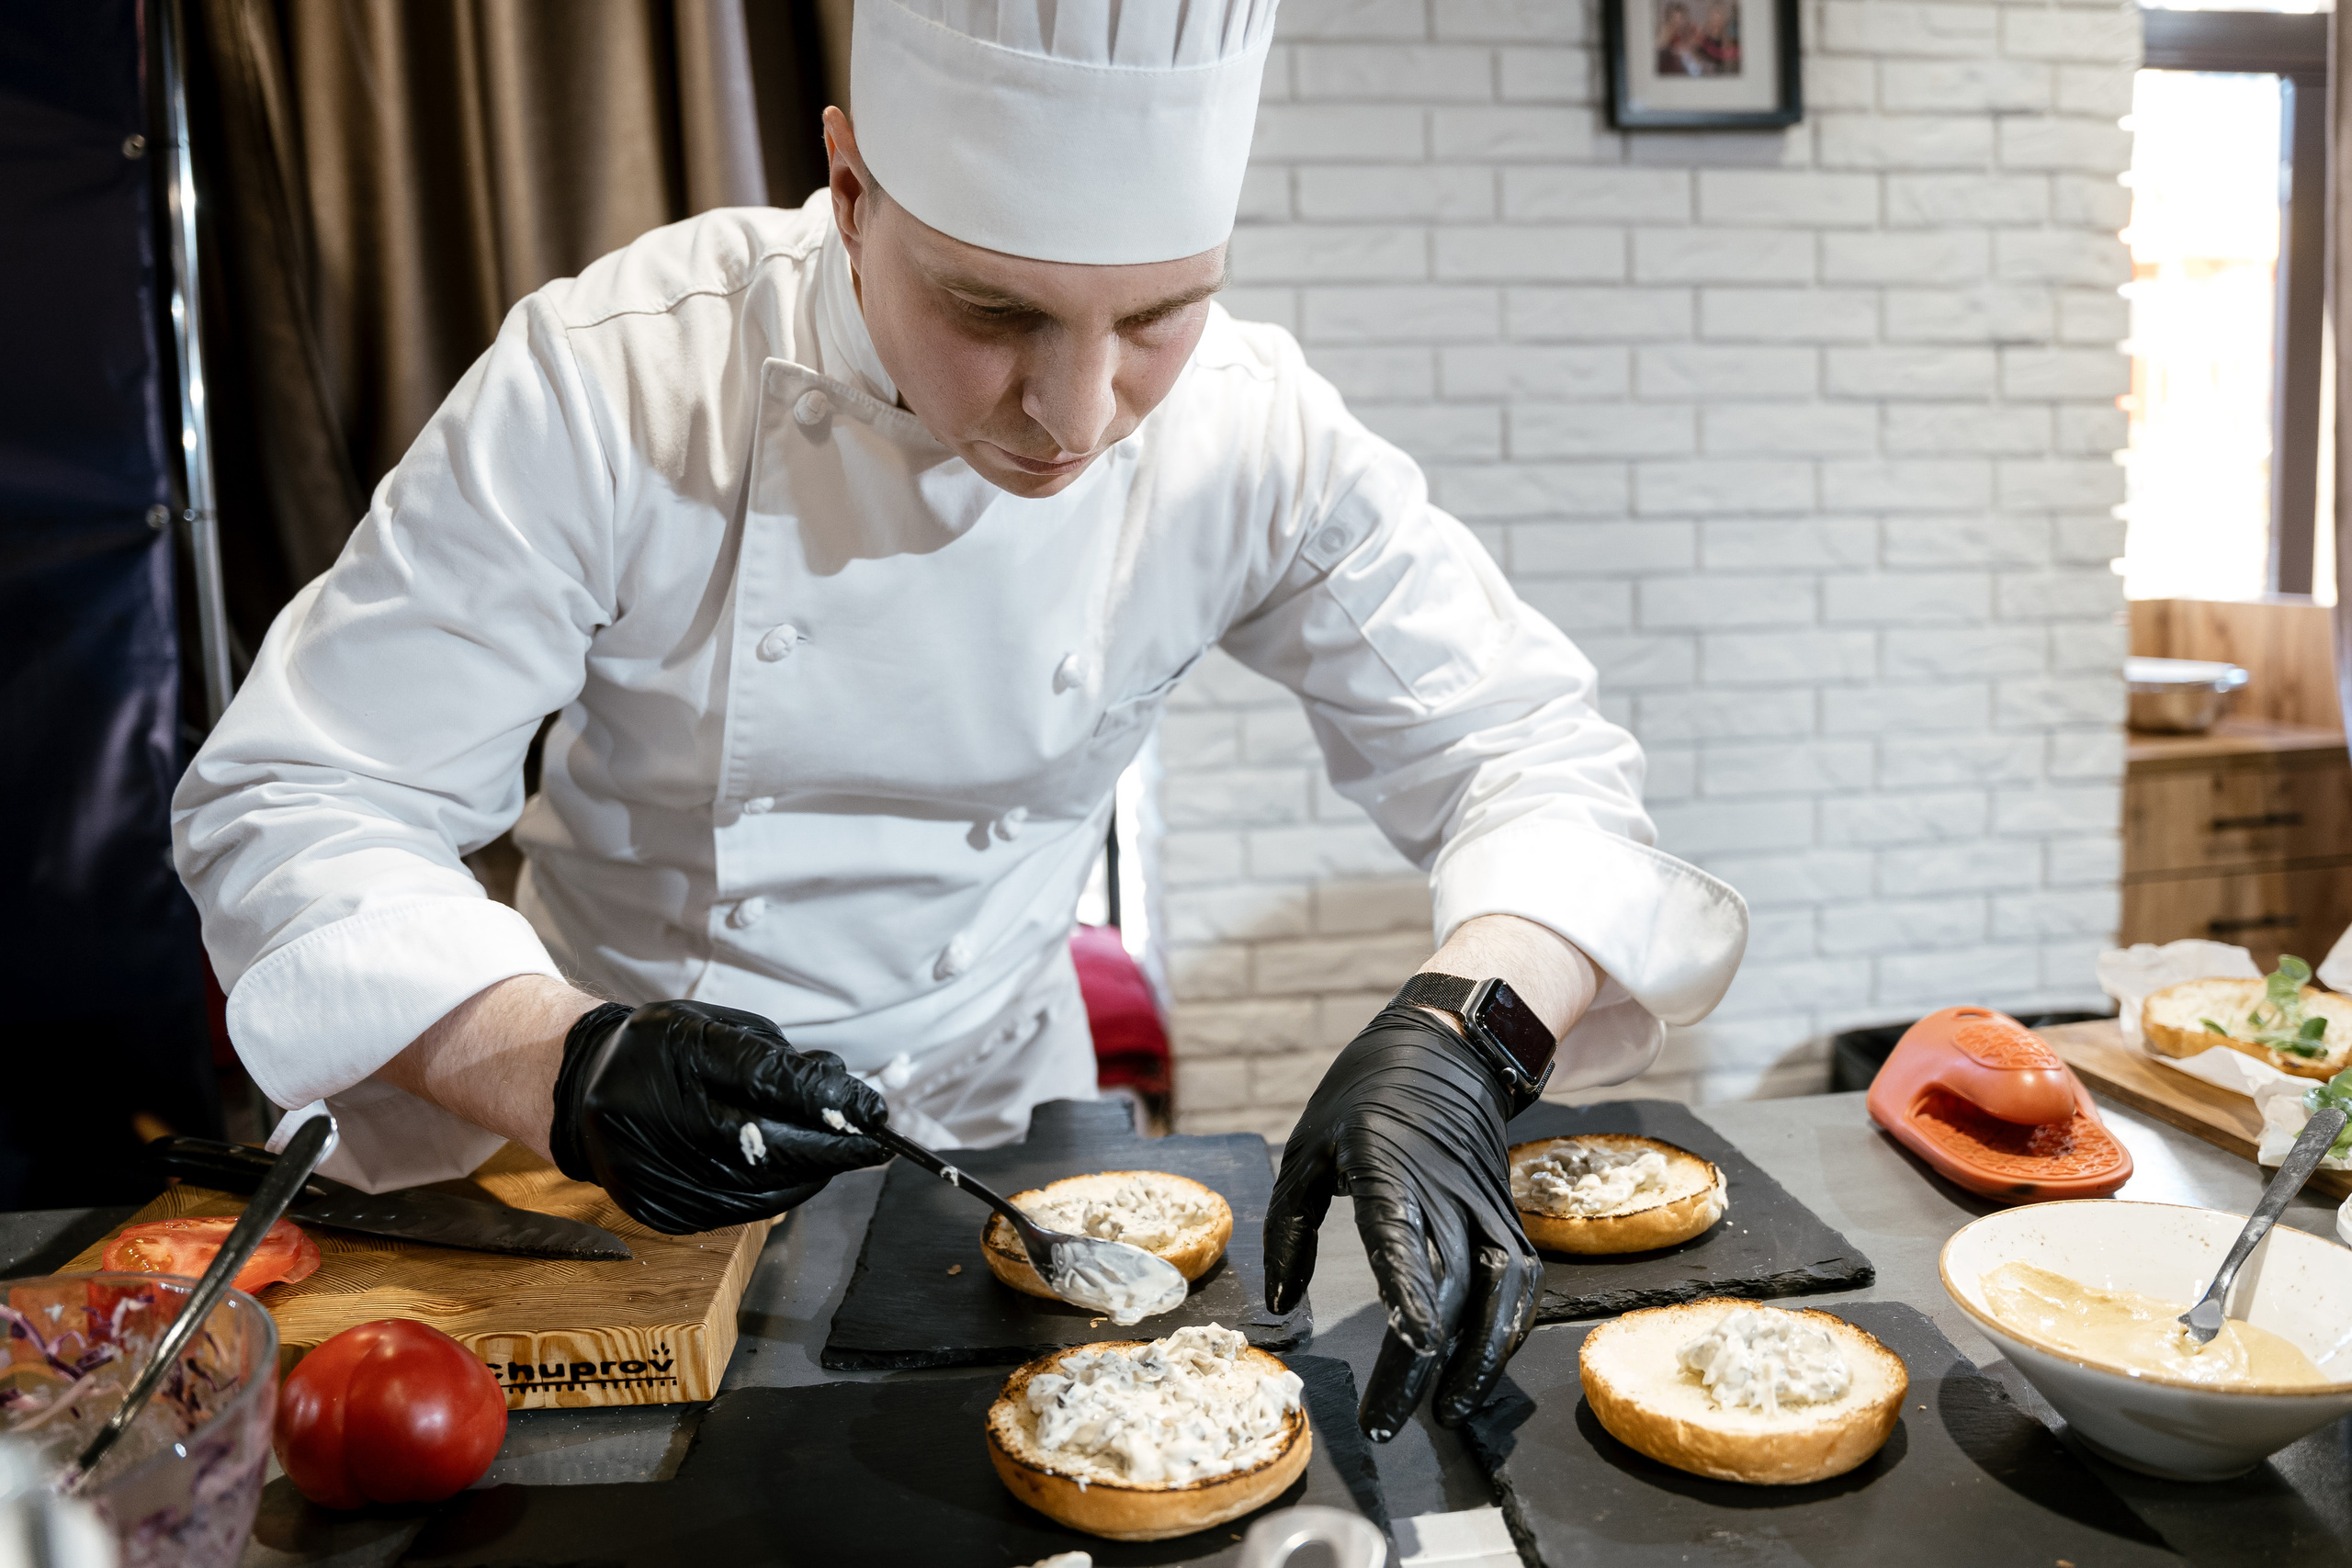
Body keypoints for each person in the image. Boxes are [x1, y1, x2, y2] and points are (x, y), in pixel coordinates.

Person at [174, 0, 1747, 1437]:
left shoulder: (1254, 430)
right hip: (600, 1168)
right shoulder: (620, 383)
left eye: (1157, 317)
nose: (1073, 416)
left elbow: (1530, 754)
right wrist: (555, 1065)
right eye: (994, 313)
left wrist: (1467, 1033)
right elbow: (303, 802)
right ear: (849, 188)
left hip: (997, 1163)